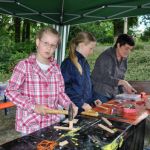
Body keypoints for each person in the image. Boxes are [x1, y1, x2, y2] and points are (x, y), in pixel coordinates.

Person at [5, 27, 78, 135]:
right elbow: (10, 91)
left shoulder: (56, 68)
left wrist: (69, 104)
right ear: (37, 42)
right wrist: (33, 107)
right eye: (45, 43)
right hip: (30, 126)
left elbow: (60, 93)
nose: (49, 48)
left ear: (56, 47)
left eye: (53, 45)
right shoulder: (24, 65)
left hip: (51, 123)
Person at [61, 32, 102, 112]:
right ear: (82, 45)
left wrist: (94, 98)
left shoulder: (85, 64)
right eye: (90, 48)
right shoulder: (68, 63)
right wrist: (81, 103)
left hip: (86, 108)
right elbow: (64, 88)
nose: (92, 52)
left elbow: (88, 85)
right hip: (74, 109)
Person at [91, 34, 137, 103]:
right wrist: (123, 82)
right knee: (103, 113)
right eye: (126, 48)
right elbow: (104, 77)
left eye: (130, 49)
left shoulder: (124, 58)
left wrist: (125, 90)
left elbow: (120, 77)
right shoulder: (106, 56)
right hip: (101, 93)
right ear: (118, 45)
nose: (128, 52)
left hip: (114, 93)